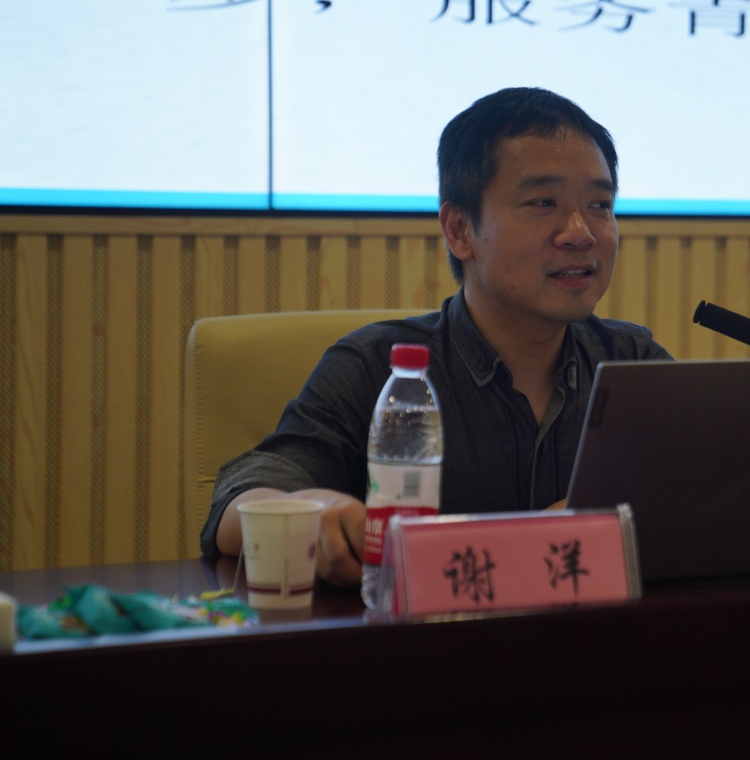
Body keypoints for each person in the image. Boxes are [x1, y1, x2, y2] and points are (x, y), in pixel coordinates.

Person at [200, 87, 671, 587]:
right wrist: (309, 509)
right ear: (460, 229)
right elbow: (242, 499)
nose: (581, 232)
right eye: (543, 202)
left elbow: (707, 498)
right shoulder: (379, 367)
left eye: (600, 204)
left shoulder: (632, 363)